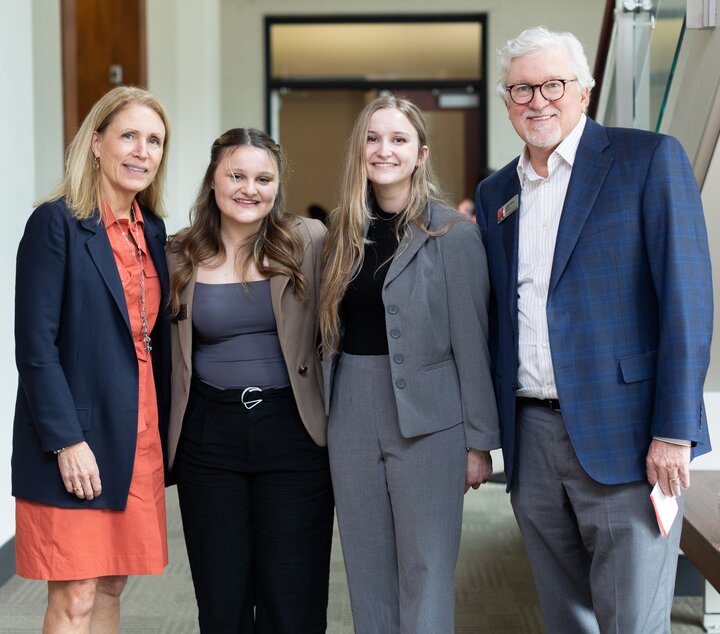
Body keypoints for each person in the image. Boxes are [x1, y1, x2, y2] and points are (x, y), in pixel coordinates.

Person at [475, 26, 713, 633]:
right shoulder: (496, 192)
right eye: (522, 89)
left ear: (585, 91)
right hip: (531, 438)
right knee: (566, 618)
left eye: (553, 84)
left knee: (631, 620)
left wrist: (674, 431)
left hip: (630, 439)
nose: (537, 100)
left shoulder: (647, 159)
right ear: (506, 102)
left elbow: (687, 303)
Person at [319, 95, 500, 634]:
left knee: (426, 568)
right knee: (367, 570)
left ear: (421, 153)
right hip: (351, 413)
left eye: (398, 140)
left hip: (432, 423)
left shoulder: (453, 234)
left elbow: (473, 342)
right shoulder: (339, 231)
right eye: (373, 139)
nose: (384, 150)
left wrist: (478, 442)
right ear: (360, 150)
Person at [12, 85, 172, 632]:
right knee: (76, 592)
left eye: (154, 141)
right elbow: (35, 347)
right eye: (129, 135)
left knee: (110, 582)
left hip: (135, 430)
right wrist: (65, 441)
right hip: (75, 437)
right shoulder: (54, 223)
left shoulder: (151, 230)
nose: (141, 151)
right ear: (97, 142)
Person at [166, 128, 333, 633]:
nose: (249, 188)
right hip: (208, 436)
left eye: (263, 178)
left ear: (277, 186)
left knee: (293, 596)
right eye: (236, 175)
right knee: (222, 599)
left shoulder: (308, 241)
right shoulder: (177, 253)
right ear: (213, 180)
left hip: (293, 432)